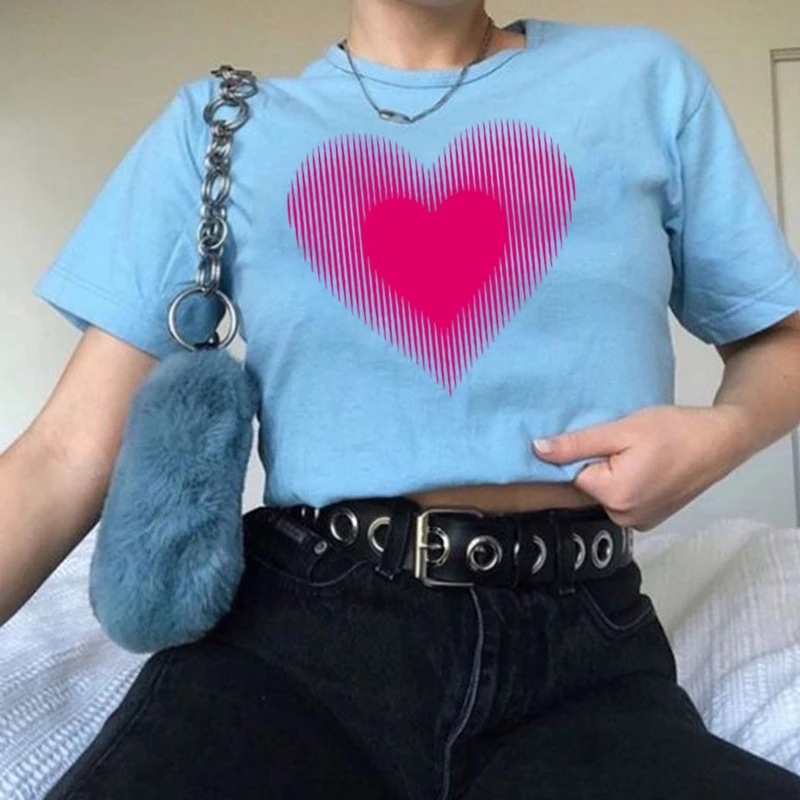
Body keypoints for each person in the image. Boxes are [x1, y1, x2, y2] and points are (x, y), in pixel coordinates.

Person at [3, 0, 800, 797]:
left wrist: (722, 434)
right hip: (297, 644)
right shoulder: (222, 128)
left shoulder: (645, 82)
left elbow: (781, 341)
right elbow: (63, 454)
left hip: (583, 652)